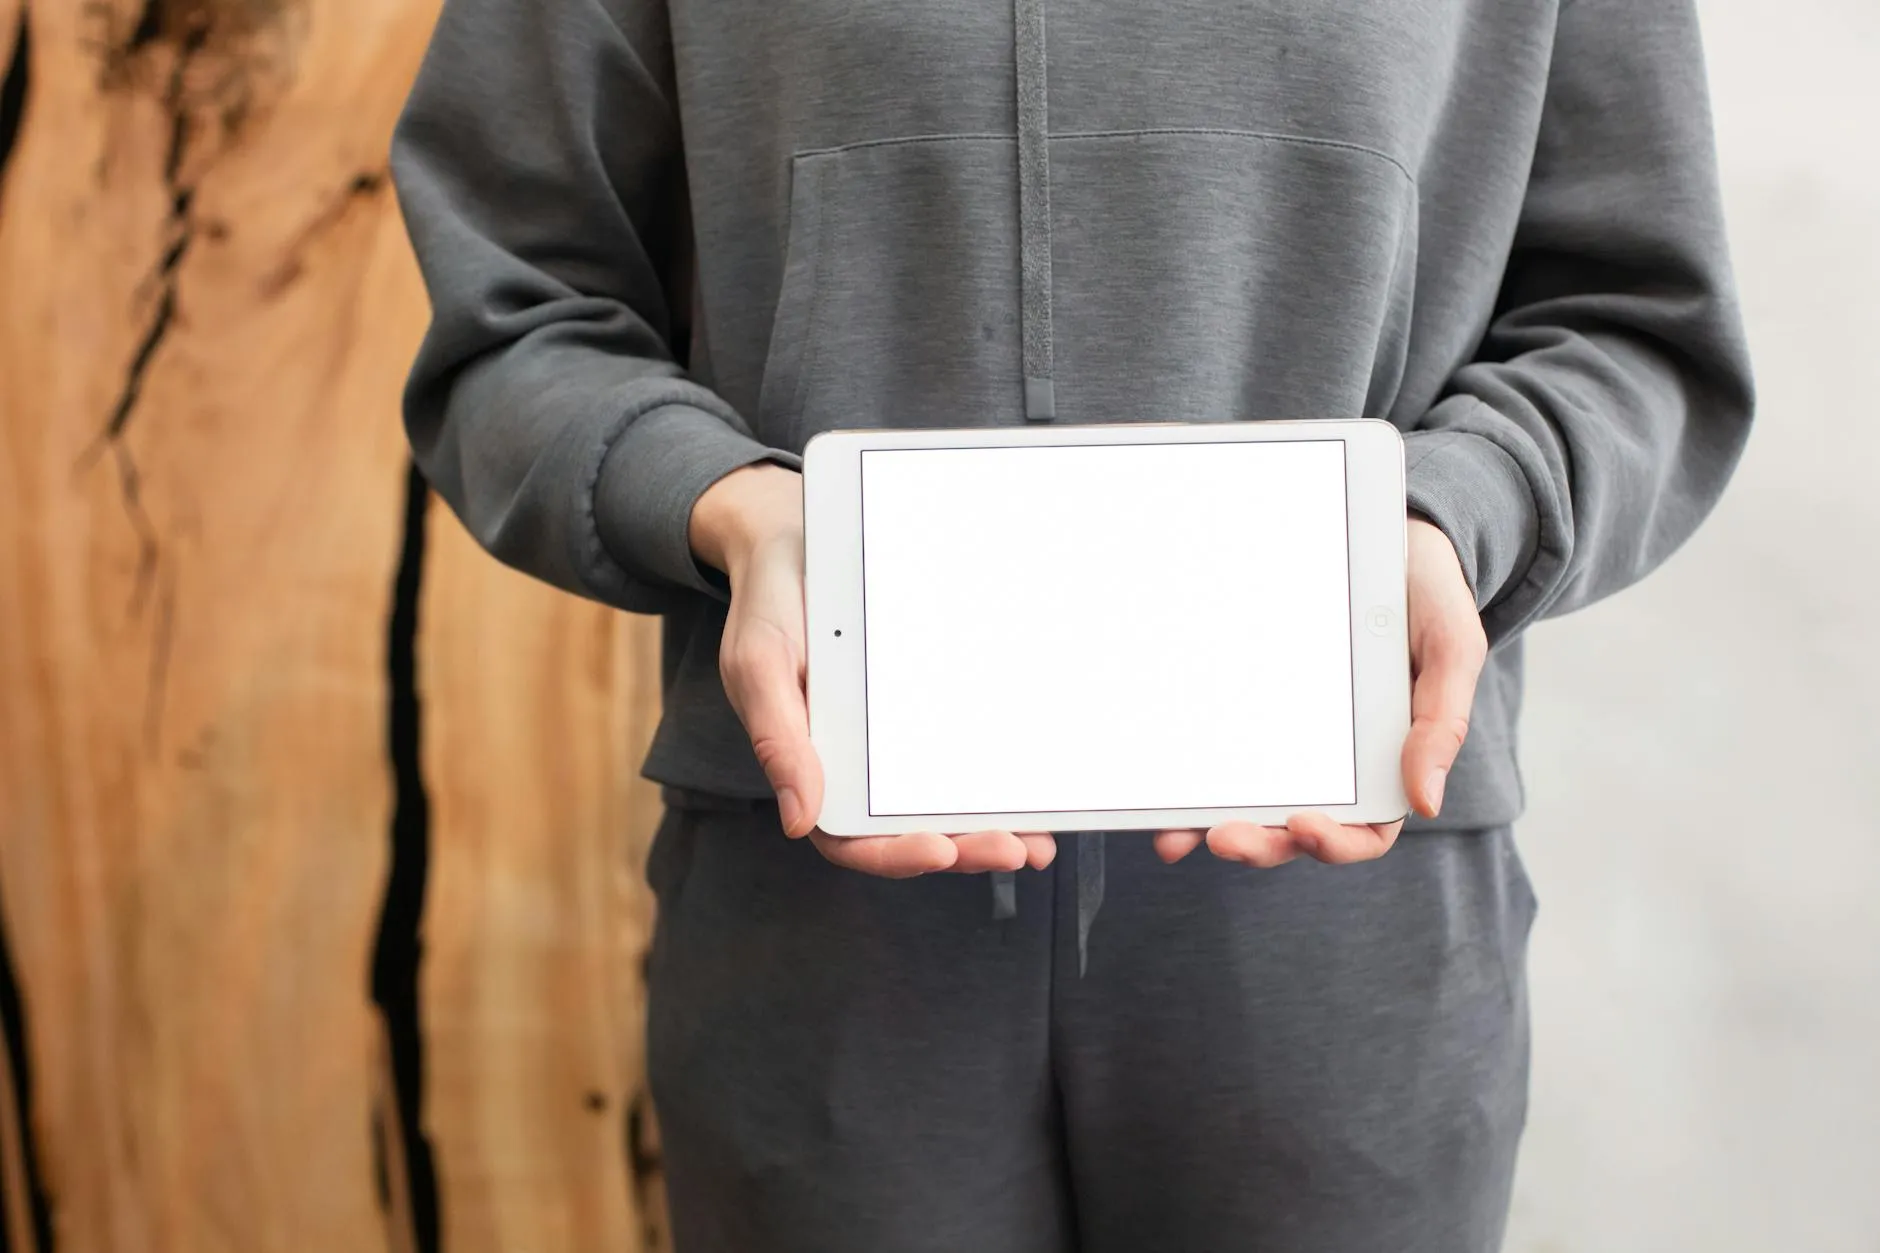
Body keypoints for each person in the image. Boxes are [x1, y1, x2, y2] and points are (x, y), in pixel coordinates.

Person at [392, 0, 1753, 1247]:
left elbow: (1635, 321)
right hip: (818, 891)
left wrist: (1460, 507)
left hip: (1348, 905)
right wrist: (728, 505)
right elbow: (518, 311)